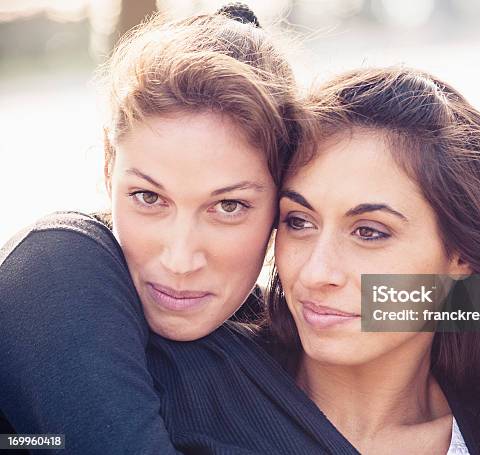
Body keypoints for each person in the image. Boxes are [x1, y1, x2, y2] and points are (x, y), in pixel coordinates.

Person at [0, 5, 357, 454]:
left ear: (281, 206)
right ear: (109, 174)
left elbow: (459, 300)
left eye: (228, 206)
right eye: (149, 198)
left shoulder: (284, 317)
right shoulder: (57, 266)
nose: (180, 259)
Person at [266, 67, 480, 454]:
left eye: (369, 232)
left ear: (460, 257)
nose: (316, 272)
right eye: (299, 221)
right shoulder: (193, 401)